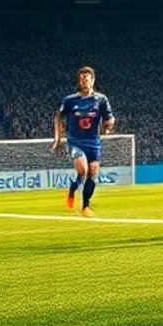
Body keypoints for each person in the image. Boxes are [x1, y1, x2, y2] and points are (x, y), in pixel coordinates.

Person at [54, 66, 114, 217]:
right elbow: (58, 116)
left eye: (86, 78)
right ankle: (73, 191)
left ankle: (85, 206)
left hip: (93, 143)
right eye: (81, 79)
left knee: (92, 173)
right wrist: (58, 137)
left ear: (92, 80)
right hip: (75, 142)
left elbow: (110, 117)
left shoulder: (101, 99)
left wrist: (108, 125)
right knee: (83, 170)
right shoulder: (70, 100)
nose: (83, 81)